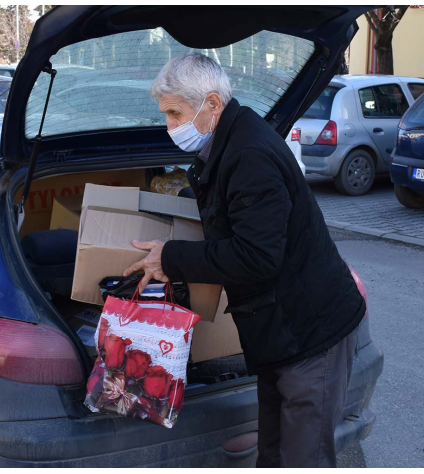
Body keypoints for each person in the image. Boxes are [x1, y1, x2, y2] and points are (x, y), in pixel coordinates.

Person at [123, 53, 365, 468]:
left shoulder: (249, 155)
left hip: (312, 335)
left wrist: (173, 256)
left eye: (175, 113)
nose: (169, 126)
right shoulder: (231, 141)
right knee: (272, 453)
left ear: (212, 105)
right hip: (279, 334)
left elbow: (257, 257)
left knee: (303, 459)